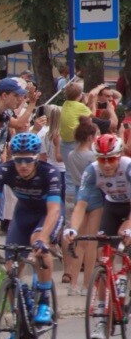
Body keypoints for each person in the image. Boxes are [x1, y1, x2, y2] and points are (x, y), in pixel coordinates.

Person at [0, 133, 63, 337]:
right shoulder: (4, 170)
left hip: (47, 215)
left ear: (36, 158)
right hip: (23, 216)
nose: (23, 165)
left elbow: (54, 211)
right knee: (11, 267)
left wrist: (43, 238)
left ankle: (44, 300)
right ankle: (19, 320)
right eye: (18, 160)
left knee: (38, 244)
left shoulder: (49, 173)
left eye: (28, 160)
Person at [65, 134, 131, 339]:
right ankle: (102, 317)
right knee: (105, 257)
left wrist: (129, 224)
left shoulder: (128, 168)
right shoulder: (91, 171)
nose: (107, 164)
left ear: (119, 156)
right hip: (112, 207)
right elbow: (81, 205)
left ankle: (124, 279)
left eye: (111, 159)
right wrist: (73, 229)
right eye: (102, 159)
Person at [63, 117, 102, 294]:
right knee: (91, 242)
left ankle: (73, 283)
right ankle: (87, 284)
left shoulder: (72, 154)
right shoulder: (92, 156)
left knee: (79, 241)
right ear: (89, 137)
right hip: (94, 195)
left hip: (79, 192)